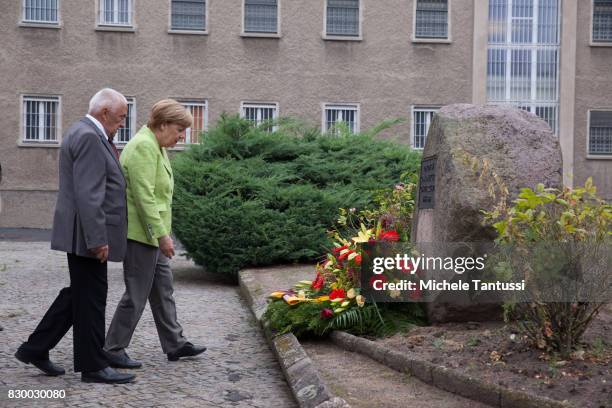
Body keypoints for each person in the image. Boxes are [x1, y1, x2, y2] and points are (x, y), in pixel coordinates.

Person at [15, 88, 135, 384]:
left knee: (79, 295)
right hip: (87, 235)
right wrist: (98, 239)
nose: (122, 124)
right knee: (92, 298)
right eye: (121, 118)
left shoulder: (83, 132)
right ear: (104, 113)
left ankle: (35, 348)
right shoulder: (89, 137)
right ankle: (92, 366)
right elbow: (89, 195)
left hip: (82, 232)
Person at [104, 99, 206, 369]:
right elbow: (144, 197)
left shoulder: (155, 145)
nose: (181, 136)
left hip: (152, 233)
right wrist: (162, 235)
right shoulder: (143, 147)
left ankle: (175, 343)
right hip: (141, 234)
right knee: (136, 294)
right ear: (162, 125)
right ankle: (112, 348)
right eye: (179, 130)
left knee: (163, 290)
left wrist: (162, 234)